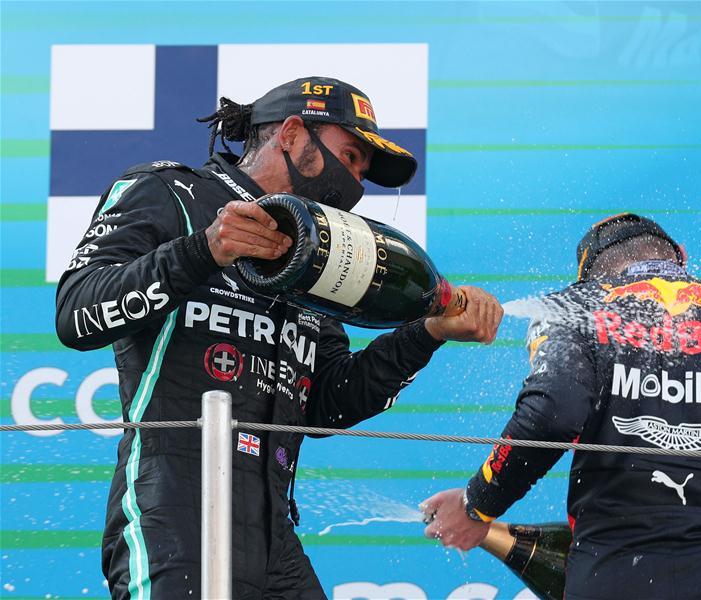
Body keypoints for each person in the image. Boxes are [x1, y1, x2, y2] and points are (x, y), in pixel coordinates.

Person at [55, 76, 503, 599]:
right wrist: (204, 250)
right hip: (173, 509)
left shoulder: (320, 253)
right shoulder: (171, 192)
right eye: (350, 157)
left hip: (274, 529)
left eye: (363, 172)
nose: (355, 182)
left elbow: (327, 406)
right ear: (291, 134)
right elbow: (76, 314)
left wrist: (426, 334)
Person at [421, 214, 701, 599]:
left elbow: (551, 414)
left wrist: (478, 504)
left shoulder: (575, 307)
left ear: (590, 278)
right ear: (681, 258)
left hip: (610, 579)